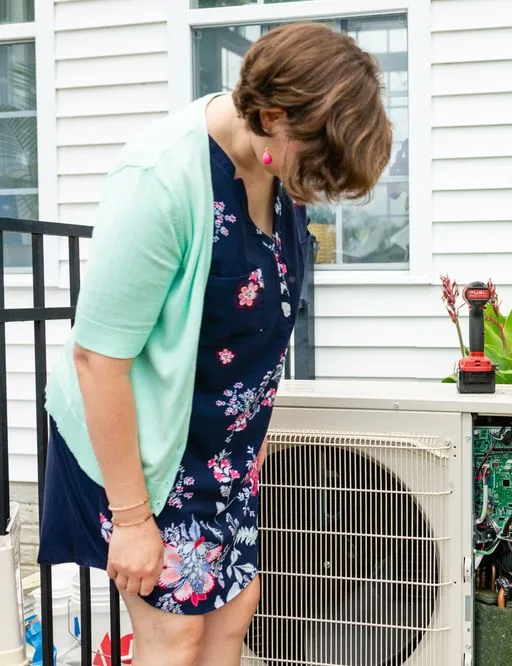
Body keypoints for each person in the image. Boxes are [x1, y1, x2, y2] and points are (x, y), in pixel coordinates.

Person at [37, 23, 392, 666]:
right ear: (274, 114)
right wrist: (134, 519)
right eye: (314, 167)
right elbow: (98, 359)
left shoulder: (273, 161)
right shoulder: (163, 179)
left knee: (233, 614)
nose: (313, 189)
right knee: (175, 634)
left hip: (224, 449)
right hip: (144, 450)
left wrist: (250, 442)